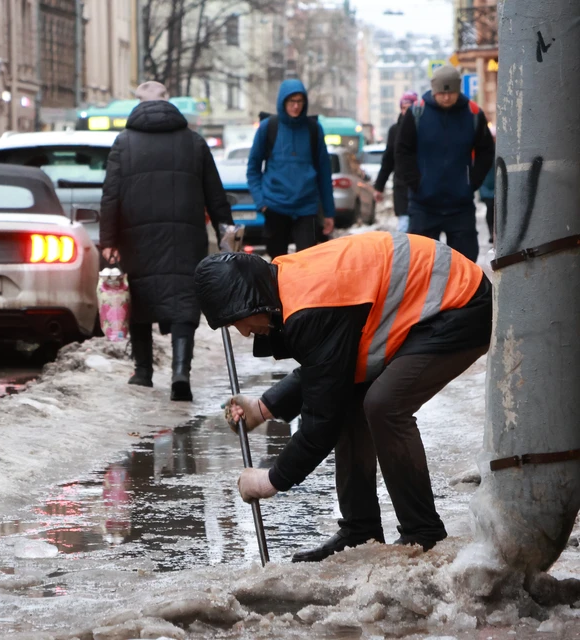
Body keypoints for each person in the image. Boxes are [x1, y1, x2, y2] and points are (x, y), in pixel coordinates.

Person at [195, 231, 491, 562]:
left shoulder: (311, 308)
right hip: (427, 304)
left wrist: (270, 481)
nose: (245, 332)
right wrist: (262, 408)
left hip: (458, 303)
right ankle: (360, 530)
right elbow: (330, 370)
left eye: (238, 321)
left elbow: (321, 422)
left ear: (252, 301)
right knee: (349, 398)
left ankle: (423, 533)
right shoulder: (285, 286)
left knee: (384, 405)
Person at [100, 81, 234, 402]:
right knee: (185, 301)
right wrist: (225, 229)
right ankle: (180, 372)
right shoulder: (194, 142)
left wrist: (108, 239)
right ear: (167, 103)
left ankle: (143, 371)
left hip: (136, 236)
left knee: (141, 299)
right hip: (186, 237)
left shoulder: (123, 143)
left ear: (138, 105)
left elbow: (110, 196)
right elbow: (215, 193)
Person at [396, 66, 495, 262]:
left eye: (451, 92)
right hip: (423, 204)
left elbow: (486, 151)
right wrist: (415, 182)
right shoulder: (417, 113)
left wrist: (472, 182)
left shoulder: (473, 114)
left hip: (460, 205)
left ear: (458, 90)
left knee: (465, 263)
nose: (447, 97)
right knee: (420, 263)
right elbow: (401, 151)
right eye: (442, 92)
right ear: (434, 90)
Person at [246, 79, 336, 259]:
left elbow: (324, 173)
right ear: (283, 102)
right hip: (275, 206)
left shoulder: (313, 129)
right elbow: (253, 169)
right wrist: (261, 202)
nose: (296, 106)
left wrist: (329, 212)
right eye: (291, 102)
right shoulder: (268, 128)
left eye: (299, 102)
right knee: (278, 264)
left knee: (308, 264)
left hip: (307, 207)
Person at [373, 91, 419, 233]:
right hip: (401, 186)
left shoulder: (422, 128)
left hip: (420, 185)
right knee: (404, 227)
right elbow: (388, 160)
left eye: (410, 108)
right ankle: (405, 255)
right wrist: (379, 186)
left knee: (420, 228)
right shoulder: (394, 130)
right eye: (404, 108)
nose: (406, 112)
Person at [480, 124, 497, 244]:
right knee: (490, 209)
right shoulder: (483, 150)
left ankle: (495, 233)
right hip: (486, 185)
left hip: (495, 185)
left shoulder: (500, 149)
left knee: (495, 209)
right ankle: (492, 232)